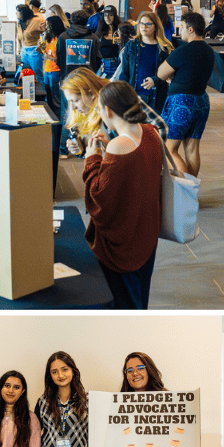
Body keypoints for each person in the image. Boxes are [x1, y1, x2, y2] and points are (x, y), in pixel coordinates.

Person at [78, 80, 162, 309]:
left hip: (124, 243)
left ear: (108, 110)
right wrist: (108, 149)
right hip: (145, 233)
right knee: (140, 295)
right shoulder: (150, 132)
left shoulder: (119, 145)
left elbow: (99, 196)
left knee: (124, 301)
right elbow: (132, 176)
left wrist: (92, 159)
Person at [157, 11, 214, 176]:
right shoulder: (209, 51)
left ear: (190, 29)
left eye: (182, 27)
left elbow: (161, 73)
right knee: (192, 148)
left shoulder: (183, 50)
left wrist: (171, 75)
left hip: (182, 103)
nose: (179, 30)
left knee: (169, 149)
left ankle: (186, 189)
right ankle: (192, 191)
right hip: (202, 101)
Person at [34, 352, 88, 447]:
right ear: (50, 375)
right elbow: (34, 436)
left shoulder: (87, 400)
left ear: (73, 371)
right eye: (54, 372)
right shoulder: (43, 401)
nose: (60, 375)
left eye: (64, 369)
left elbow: (95, 436)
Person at [117, 10, 172, 113]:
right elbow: (124, 73)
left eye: (148, 24)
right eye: (141, 23)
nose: (143, 27)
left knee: (154, 128)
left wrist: (155, 79)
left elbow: (169, 73)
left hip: (157, 97)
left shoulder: (164, 48)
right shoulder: (131, 45)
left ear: (155, 26)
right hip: (135, 96)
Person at [57, 9, 102, 79]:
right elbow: (98, 59)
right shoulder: (93, 38)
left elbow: (58, 58)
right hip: (88, 78)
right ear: (87, 21)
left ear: (71, 20)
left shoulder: (63, 37)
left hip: (68, 77)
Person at [40, 15, 66, 115]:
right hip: (48, 71)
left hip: (56, 71)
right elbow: (47, 54)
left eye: (49, 25)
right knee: (48, 96)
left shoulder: (61, 38)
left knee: (56, 98)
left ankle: (59, 119)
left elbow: (61, 59)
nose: (47, 27)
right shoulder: (51, 38)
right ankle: (51, 117)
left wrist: (48, 57)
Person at [17, 3, 46, 83]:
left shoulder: (37, 21)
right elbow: (19, 38)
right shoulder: (20, 23)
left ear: (23, 12)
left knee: (38, 76)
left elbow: (47, 32)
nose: (16, 13)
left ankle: (46, 94)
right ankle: (30, 94)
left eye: (17, 11)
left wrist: (42, 46)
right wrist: (19, 50)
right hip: (24, 51)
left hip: (34, 50)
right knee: (26, 76)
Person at [96, 5, 122, 78]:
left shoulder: (119, 31)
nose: (107, 18)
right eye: (105, 15)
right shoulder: (100, 31)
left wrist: (121, 42)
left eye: (110, 15)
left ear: (115, 16)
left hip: (116, 64)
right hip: (103, 64)